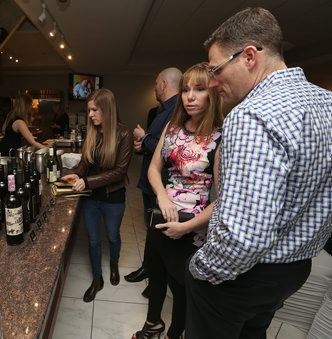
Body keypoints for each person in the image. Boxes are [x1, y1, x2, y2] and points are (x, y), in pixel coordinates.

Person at [185, 7, 332, 339]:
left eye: (216, 68)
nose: (211, 81)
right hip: (295, 270)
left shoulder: (252, 115)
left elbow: (243, 239)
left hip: (246, 275)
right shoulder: (328, 103)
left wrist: (200, 269)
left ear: (249, 56)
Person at [132, 63, 223, 339]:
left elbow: (222, 199)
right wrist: (161, 195)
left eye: (199, 89)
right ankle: (152, 324)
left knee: (181, 285)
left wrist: (187, 227)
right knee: (156, 274)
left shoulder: (220, 138)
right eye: (185, 89)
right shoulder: (172, 129)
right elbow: (153, 168)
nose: (190, 96)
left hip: (192, 227)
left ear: (212, 95)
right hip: (162, 215)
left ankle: (174, 332)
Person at [61, 88, 133, 302]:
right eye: (89, 110)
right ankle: (96, 279)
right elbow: (85, 161)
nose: (90, 115)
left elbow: (120, 172)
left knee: (112, 236)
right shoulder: (92, 132)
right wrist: (76, 175)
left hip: (113, 197)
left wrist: (87, 181)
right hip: (91, 197)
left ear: (107, 109)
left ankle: (113, 264)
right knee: (93, 240)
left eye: (94, 110)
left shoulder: (124, 134)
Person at [125, 68, 182, 291]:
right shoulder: (161, 110)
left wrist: (143, 137)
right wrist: (143, 146)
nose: (154, 87)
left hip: (163, 185)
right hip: (151, 182)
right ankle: (149, 268)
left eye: (156, 83)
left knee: (159, 231)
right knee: (152, 229)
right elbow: (155, 145)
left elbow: (167, 150)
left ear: (164, 84)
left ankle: (156, 276)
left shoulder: (176, 110)